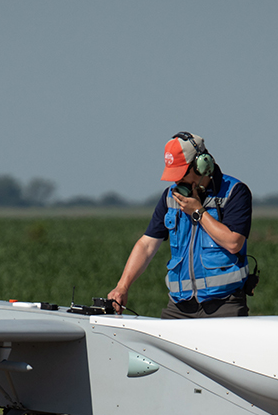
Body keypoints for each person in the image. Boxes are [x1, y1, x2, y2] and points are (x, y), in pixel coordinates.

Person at [108, 132, 252, 318]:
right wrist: (122, 286)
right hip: (179, 306)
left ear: (202, 165)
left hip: (224, 304)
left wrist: (198, 212)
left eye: (181, 174)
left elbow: (234, 243)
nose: (177, 182)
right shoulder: (170, 197)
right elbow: (147, 244)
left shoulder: (234, 192)